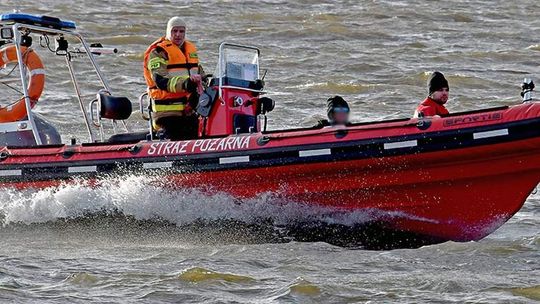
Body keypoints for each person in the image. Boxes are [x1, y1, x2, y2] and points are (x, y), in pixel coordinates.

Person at [143, 17, 204, 140]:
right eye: (174, 31)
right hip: (166, 113)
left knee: (202, 131)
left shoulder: (189, 51)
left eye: (181, 31)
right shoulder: (158, 52)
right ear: (168, 31)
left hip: (188, 110)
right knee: (179, 135)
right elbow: (160, 80)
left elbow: (201, 75)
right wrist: (186, 84)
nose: (178, 35)